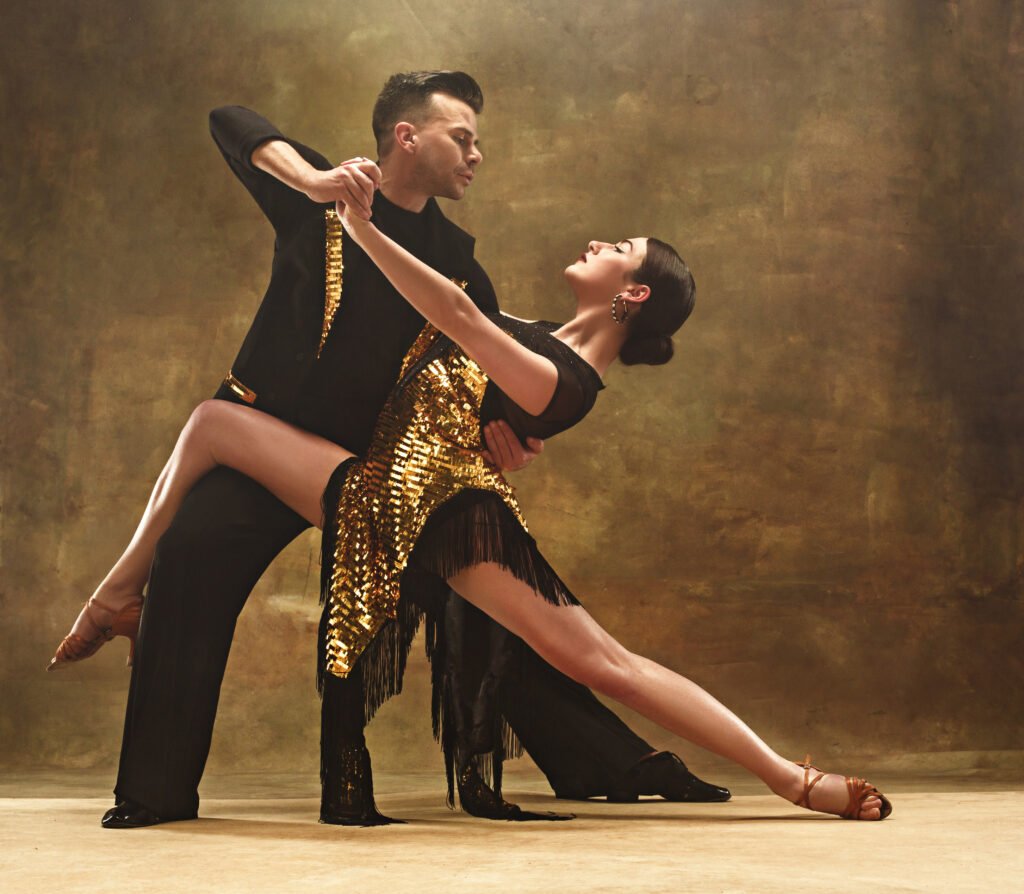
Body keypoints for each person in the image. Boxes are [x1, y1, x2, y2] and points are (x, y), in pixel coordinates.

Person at [55, 210, 892, 822]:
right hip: (395, 491)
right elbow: (457, 354)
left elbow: (454, 316)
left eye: (619, 248)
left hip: (437, 512)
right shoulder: (538, 336)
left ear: (634, 292)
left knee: (607, 664)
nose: (598, 242)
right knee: (213, 422)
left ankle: (791, 779)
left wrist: (361, 228)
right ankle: (121, 598)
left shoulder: (567, 379)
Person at [51, 71, 727, 828]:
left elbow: (488, 377)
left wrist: (506, 441)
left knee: (490, 610)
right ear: (408, 136)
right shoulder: (321, 197)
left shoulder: (462, 269)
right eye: (462, 138)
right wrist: (313, 181)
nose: (477, 155)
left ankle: (613, 761)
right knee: (190, 555)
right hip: (259, 446)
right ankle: (154, 794)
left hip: (371, 471)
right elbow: (230, 120)